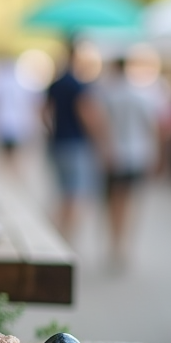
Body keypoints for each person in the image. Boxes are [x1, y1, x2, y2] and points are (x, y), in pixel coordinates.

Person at [93, 55, 161, 267]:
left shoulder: (106, 94)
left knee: (113, 201)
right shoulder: (140, 94)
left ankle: (115, 243)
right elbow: (152, 125)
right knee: (129, 201)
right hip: (136, 154)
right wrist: (156, 154)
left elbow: (99, 124)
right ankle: (123, 245)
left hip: (113, 154)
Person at [44, 40, 106, 243]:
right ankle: (63, 239)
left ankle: (56, 234)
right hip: (75, 144)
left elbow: (44, 113)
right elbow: (87, 114)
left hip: (58, 143)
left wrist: (52, 130)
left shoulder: (56, 82)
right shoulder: (77, 85)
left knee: (63, 193)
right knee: (74, 195)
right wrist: (99, 141)